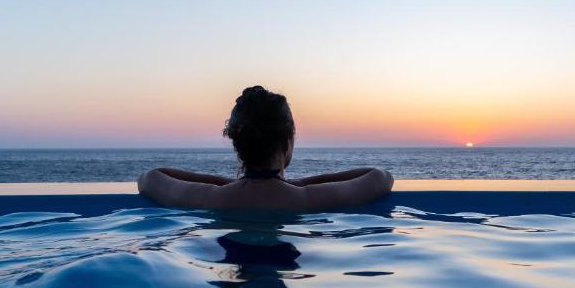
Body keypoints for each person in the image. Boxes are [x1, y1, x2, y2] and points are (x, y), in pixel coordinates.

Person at [137, 85, 394, 211]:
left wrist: (226, 184)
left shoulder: (211, 198)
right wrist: (300, 184)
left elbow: (150, 178)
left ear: (237, 142)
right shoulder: (308, 199)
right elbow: (380, 177)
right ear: (288, 141)